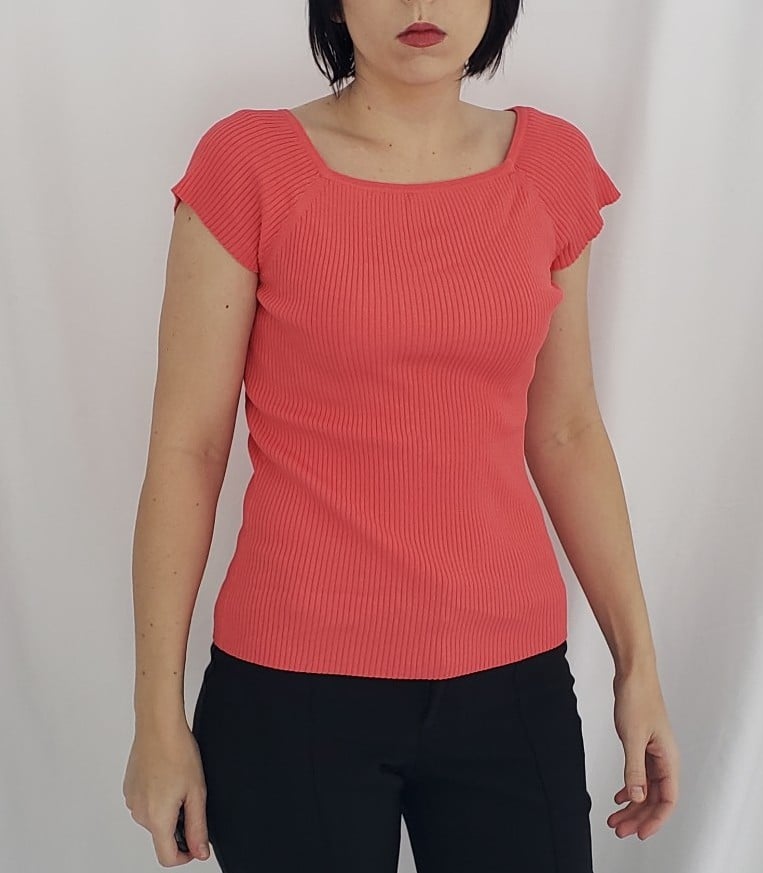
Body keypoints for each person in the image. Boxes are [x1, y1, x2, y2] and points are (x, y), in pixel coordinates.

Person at [123, 0, 680, 869]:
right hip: (291, 689)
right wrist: (156, 718)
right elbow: (188, 448)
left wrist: (636, 664)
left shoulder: (549, 165)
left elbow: (567, 430)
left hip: (512, 680)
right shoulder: (249, 164)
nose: (420, 6)